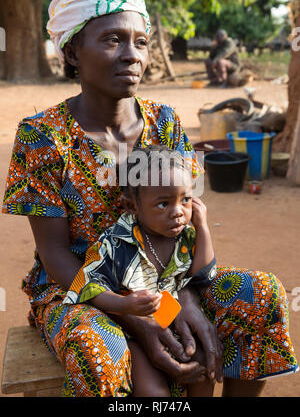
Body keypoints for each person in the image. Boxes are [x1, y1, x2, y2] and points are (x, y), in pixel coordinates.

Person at [2, 0, 298, 397]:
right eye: (111, 40)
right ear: (70, 52)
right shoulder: (42, 136)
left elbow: (187, 224)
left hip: (168, 280)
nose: (132, 55)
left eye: (140, 41)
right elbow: (54, 253)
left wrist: (184, 303)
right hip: (82, 291)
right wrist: (138, 318)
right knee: (98, 347)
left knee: (261, 293)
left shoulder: (165, 122)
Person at [63, 145, 217, 397]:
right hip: (133, 332)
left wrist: (202, 226)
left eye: (185, 199)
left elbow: (203, 275)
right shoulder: (114, 243)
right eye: (163, 204)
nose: (178, 212)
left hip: (176, 325)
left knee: (201, 366)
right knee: (152, 391)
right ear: (131, 206)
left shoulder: (186, 235)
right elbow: (88, 286)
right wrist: (125, 305)